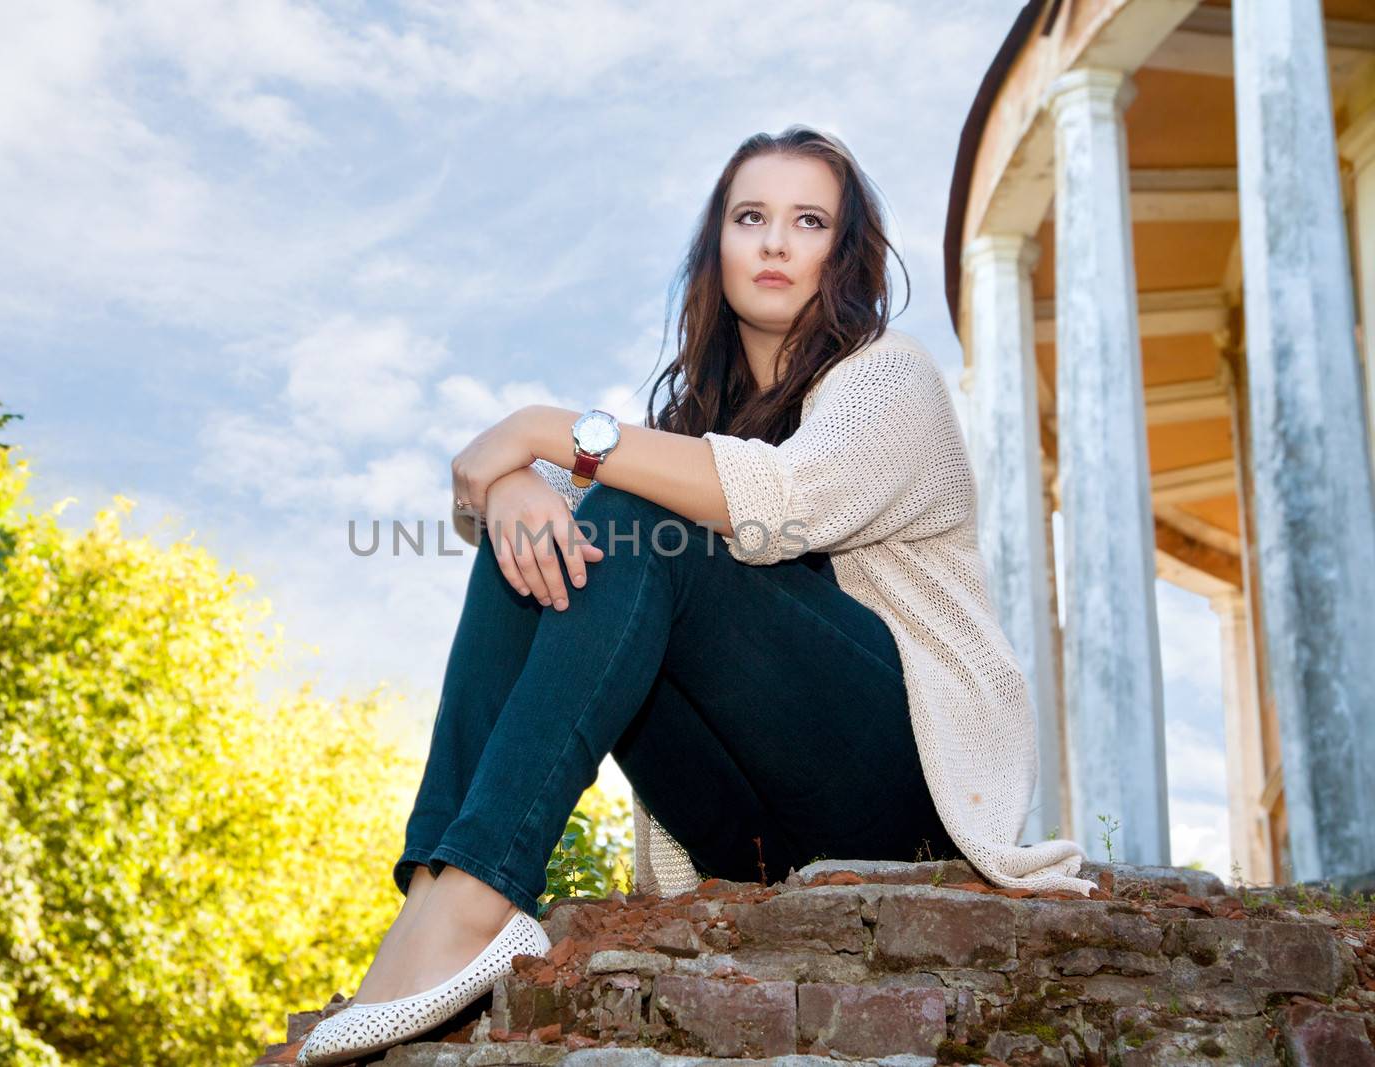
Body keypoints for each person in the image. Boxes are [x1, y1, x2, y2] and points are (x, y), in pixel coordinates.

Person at [296, 124, 1092, 1067]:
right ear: (717, 244)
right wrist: (516, 485)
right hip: (749, 823)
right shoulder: (686, 432)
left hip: (905, 785)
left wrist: (541, 429)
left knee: (626, 512)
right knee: (555, 534)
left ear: (847, 253)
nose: (775, 242)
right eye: (750, 216)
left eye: (809, 221)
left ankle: (478, 894)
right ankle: (434, 890)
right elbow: (527, 512)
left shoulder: (889, 377)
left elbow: (782, 504)